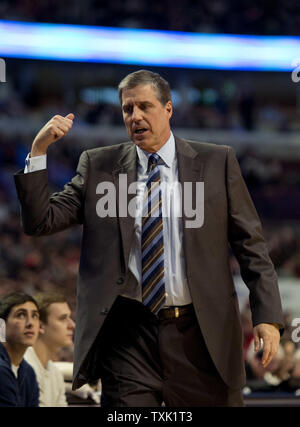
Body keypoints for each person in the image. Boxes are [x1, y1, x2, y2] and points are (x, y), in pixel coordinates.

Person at [14, 69, 284, 407]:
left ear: (168, 109)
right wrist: (38, 151)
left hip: (201, 334)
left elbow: (251, 247)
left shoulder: (218, 162)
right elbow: (40, 222)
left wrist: (268, 317)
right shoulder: (99, 166)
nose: (135, 116)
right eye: (128, 109)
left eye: (145, 106)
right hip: (129, 336)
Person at [24, 291, 75, 406]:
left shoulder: (55, 374)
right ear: (40, 326)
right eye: (63, 318)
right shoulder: (22, 368)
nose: (72, 325)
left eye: (69, 317)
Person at [0, 292, 40, 407]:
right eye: (21, 315)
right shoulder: (1, 370)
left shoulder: (28, 372)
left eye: (35, 316)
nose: (30, 323)